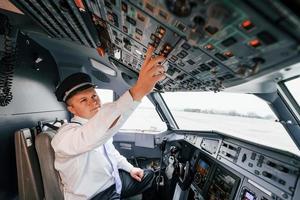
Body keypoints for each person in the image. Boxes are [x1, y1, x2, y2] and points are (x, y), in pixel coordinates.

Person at [51, 45, 166, 200]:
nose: (94, 103)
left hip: (115, 182)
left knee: (151, 175)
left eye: (94, 96)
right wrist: (139, 90)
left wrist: (131, 168)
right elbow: (91, 135)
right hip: (95, 196)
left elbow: (111, 154)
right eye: (84, 100)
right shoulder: (64, 137)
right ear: (71, 109)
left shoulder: (99, 127)